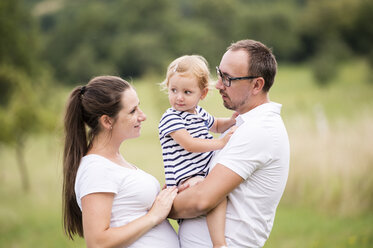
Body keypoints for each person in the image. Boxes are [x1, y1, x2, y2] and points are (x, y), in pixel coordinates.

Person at [170, 39, 290, 248]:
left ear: (257, 85)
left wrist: (159, 205)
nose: (217, 85)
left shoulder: (259, 130)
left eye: (227, 79)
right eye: (219, 74)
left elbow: (202, 200)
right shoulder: (245, 125)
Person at [62, 76, 179, 248]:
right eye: (133, 111)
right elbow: (97, 242)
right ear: (107, 121)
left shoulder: (112, 162)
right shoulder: (96, 168)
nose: (143, 116)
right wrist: (153, 216)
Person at [158, 55, 237, 248]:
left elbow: (216, 124)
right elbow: (190, 144)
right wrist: (221, 144)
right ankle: (219, 244)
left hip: (202, 171)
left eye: (187, 92)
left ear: (202, 94)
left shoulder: (198, 112)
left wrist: (233, 120)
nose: (178, 97)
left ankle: (212, 238)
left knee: (218, 195)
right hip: (185, 176)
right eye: (173, 90)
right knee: (215, 195)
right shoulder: (171, 117)